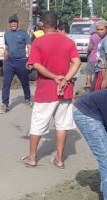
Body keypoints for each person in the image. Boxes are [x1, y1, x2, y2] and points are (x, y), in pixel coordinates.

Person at [22, 11, 81, 168]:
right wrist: (65, 78)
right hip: (65, 90)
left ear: (42, 24)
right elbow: (77, 62)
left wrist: (54, 77)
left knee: (38, 124)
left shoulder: (38, 43)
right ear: (57, 23)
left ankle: (32, 158)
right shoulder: (68, 42)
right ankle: (59, 159)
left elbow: (35, 64)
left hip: (46, 91)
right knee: (62, 125)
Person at [0, 14, 32, 114]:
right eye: (11, 22)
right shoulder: (7, 34)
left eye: (15, 22)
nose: (13, 23)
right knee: (6, 84)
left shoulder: (23, 33)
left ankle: (27, 99)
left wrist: (29, 60)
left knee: (25, 82)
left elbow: (29, 47)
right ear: (9, 24)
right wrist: (4, 62)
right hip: (9, 63)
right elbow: (6, 48)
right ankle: (5, 104)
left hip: (21, 62)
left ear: (18, 23)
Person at [91, 19, 107, 91]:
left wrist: (105, 78)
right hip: (99, 71)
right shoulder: (102, 39)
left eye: (102, 29)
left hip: (103, 73)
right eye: (98, 30)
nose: (99, 32)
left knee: (95, 95)